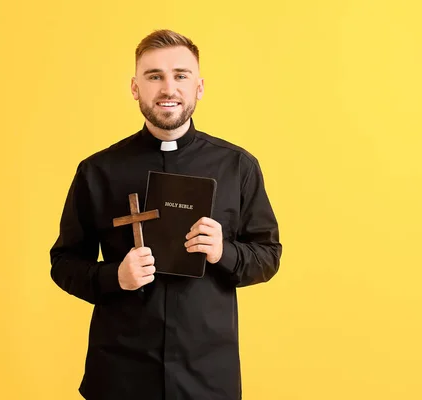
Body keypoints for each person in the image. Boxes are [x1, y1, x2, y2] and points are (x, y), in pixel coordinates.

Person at [50, 29, 282, 400]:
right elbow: (63, 262)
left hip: (207, 374)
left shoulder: (237, 166)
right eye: (154, 76)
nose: (168, 88)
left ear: (199, 87)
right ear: (135, 87)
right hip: (120, 373)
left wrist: (225, 251)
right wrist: (116, 277)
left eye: (180, 75)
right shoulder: (98, 170)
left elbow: (268, 255)